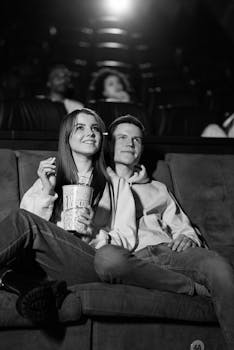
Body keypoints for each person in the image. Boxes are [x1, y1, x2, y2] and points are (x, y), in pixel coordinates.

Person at [0, 109, 205, 324]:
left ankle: (17, 280)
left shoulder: (116, 184)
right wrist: (47, 191)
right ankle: (26, 285)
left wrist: (95, 235)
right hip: (51, 263)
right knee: (22, 225)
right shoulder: (49, 178)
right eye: (80, 128)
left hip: (90, 261)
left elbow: (127, 240)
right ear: (67, 138)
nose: (90, 132)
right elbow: (23, 239)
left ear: (102, 139)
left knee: (23, 221)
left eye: (95, 128)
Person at [94, 114, 234, 350]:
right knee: (109, 261)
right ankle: (193, 288)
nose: (131, 143)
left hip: (169, 251)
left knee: (218, 267)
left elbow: (180, 223)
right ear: (109, 144)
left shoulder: (157, 187)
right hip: (133, 258)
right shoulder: (99, 182)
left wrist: (186, 236)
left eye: (137, 140)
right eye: (123, 137)